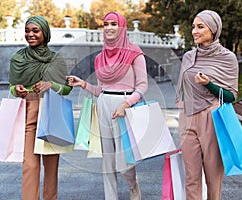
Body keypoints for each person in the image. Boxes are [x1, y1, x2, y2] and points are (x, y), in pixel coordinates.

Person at [67, 12, 148, 200]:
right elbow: (101, 90)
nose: (109, 27)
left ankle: (133, 185)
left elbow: (143, 85)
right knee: (108, 161)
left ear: (122, 27)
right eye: (106, 24)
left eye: (114, 24)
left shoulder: (135, 53)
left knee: (124, 161)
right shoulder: (99, 58)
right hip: (103, 106)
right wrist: (84, 84)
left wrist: (126, 104)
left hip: (124, 108)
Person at [175, 10, 238, 200]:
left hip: (212, 119)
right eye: (194, 26)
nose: (195, 31)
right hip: (187, 118)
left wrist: (208, 84)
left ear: (213, 29)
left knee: (213, 179)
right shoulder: (188, 56)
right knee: (191, 178)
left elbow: (231, 96)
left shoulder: (228, 58)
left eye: (200, 27)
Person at [9, 15, 72, 200]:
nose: (30, 34)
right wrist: (16, 89)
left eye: (35, 31)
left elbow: (67, 89)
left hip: (51, 111)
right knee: (30, 165)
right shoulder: (18, 58)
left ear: (45, 33)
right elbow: (12, 86)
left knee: (51, 167)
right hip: (28, 111)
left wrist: (50, 85)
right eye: (27, 31)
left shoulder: (56, 59)